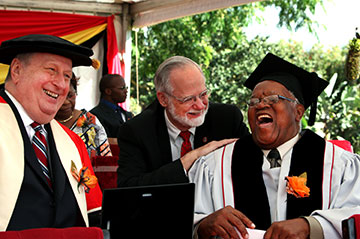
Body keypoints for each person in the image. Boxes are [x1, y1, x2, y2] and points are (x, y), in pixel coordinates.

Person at [189, 53, 360, 239]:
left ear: (298, 111)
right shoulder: (216, 164)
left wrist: (311, 225)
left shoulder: (336, 163)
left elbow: (355, 213)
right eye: (253, 102)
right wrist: (203, 224)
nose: (261, 105)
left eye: (272, 99)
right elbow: (181, 218)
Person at [0, 34, 102, 231]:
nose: (62, 85)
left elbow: (93, 215)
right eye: (51, 70)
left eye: (67, 76)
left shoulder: (72, 142)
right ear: (17, 70)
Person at [117, 55, 249, 187]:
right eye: (188, 99)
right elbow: (129, 188)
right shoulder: (137, 130)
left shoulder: (227, 118)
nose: (200, 106)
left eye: (203, 94)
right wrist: (189, 159)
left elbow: (253, 165)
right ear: (163, 99)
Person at [55, 72, 112, 158]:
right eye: (59, 96)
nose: (66, 102)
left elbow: (105, 161)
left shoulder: (91, 122)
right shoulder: (42, 122)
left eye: (70, 96)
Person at [90, 74, 133, 138]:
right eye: (122, 88)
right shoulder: (95, 115)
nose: (126, 91)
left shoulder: (125, 114)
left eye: (126, 88)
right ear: (108, 91)